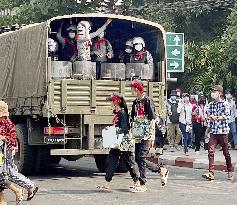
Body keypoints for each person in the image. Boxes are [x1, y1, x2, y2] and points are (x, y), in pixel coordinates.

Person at [130, 80, 169, 192]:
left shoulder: (148, 101)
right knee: (138, 158)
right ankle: (161, 170)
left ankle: (143, 183)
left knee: (141, 157)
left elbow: (152, 119)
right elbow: (133, 119)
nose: (131, 91)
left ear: (137, 89)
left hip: (147, 133)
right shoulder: (135, 102)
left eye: (132, 89)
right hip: (138, 133)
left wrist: (151, 136)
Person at [96, 93, 139, 191]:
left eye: (111, 102)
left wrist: (114, 130)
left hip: (123, 141)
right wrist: (110, 129)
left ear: (116, 103)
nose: (110, 104)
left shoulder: (122, 113)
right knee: (111, 161)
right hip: (117, 142)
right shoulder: (118, 113)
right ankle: (107, 183)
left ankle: (137, 181)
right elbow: (118, 126)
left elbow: (125, 128)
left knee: (129, 162)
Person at [0, 101, 38, 203]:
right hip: (3, 151)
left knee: (8, 174)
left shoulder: (8, 123)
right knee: (6, 174)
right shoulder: (2, 122)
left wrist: (3, 138)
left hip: (7, 151)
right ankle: (25, 189)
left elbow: (11, 139)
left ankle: (25, 188)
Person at [202, 85, 234, 181]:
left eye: (214, 91)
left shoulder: (224, 104)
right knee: (210, 151)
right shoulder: (210, 105)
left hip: (223, 132)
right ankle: (211, 173)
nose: (213, 93)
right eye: (212, 91)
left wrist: (217, 117)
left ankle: (230, 171)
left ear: (220, 93)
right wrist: (207, 131)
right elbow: (210, 120)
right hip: (214, 131)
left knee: (226, 153)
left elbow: (227, 116)